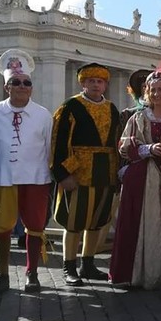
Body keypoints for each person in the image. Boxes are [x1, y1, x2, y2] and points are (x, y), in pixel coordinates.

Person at [108, 63, 161, 289]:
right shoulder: (138, 117)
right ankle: (137, 273)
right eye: (154, 89)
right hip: (142, 177)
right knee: (140, 222)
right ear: (147, 92)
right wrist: (147, 149)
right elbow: (123, 147)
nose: (158, 94)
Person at [51, 63, 121, 286]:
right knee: (74, 221)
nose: (95, 85)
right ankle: (68, 266)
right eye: (90, 81)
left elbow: (117, 141)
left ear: (105, 85)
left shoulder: (111, 108)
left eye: (99, 81)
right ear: (82, 83)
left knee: (96, 221)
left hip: (105, 172)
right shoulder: (70, 106)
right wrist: (63, 174)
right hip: (78, 172)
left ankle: (88, 264)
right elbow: (58, 142)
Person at [0, 49, 52, 293]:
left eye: (26, 82)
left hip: (36, 179)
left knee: (35, 226)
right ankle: (3, 273)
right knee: (1, 226)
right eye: (15, 82)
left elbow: (50, 147)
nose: (21, 86)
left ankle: (32, 273)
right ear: (7, 86)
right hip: (3, 178)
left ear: (31, 86)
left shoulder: (43, 115)